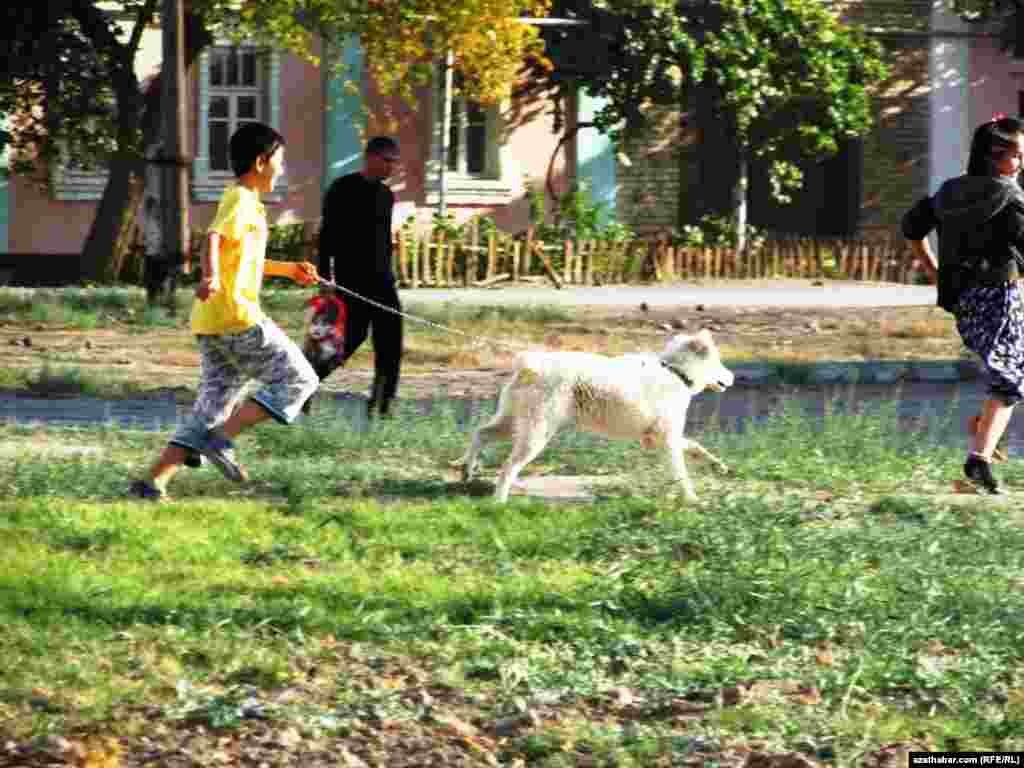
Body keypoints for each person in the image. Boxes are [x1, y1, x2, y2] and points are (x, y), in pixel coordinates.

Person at [129, 122, 320, 500]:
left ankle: (152, 483)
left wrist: (288, 270)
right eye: (279, 160)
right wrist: (212, 275)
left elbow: (244, 256)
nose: (283, 168)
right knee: (300, 380)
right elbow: (213, 238)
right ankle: (220, 441)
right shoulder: (240, 199)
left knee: (211, 408)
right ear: (261, 162)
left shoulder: (249, 204)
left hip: (213, 323)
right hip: (237, 317)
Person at [902, 115, 1024, 495]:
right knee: (1010, 379)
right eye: (1017, 155)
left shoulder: (948, 192)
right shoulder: (1010, 198)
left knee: (1008, 377)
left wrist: (935, 271)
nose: (1021, 163)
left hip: (963, 303)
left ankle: (984, 436)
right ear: (994, 157)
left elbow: (912, 228)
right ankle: (979, 459)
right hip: (1002, 301)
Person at [313, 136, 403, 420]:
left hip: (383, 282)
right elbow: (326, 237)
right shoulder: (342, 189)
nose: (392, 167)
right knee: (348, 340)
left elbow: (383, 239)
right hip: (352, 281)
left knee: (391, 340)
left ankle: (382, 404)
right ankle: (302, 384)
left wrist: (390, 268)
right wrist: (325, 278)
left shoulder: (387, 196)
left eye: (394, 162)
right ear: (371, 157)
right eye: (388, 160)